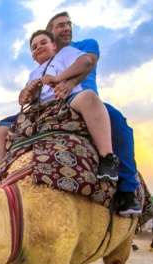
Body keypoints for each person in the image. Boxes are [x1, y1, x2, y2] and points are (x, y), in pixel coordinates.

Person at [15, 30, 119, 183]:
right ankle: (1, 176)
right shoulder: (33, 73)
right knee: (1, 128)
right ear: (32, 56)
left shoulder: (65, 53)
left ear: (54, 45)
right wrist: (28, 93)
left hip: (67, 99)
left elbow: (86, 62)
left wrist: (58, 78)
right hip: (42, 110)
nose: (39, 47)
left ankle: (107, 157)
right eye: (34, 47)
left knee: (89, 97)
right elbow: (27, 99)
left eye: (43, 43)